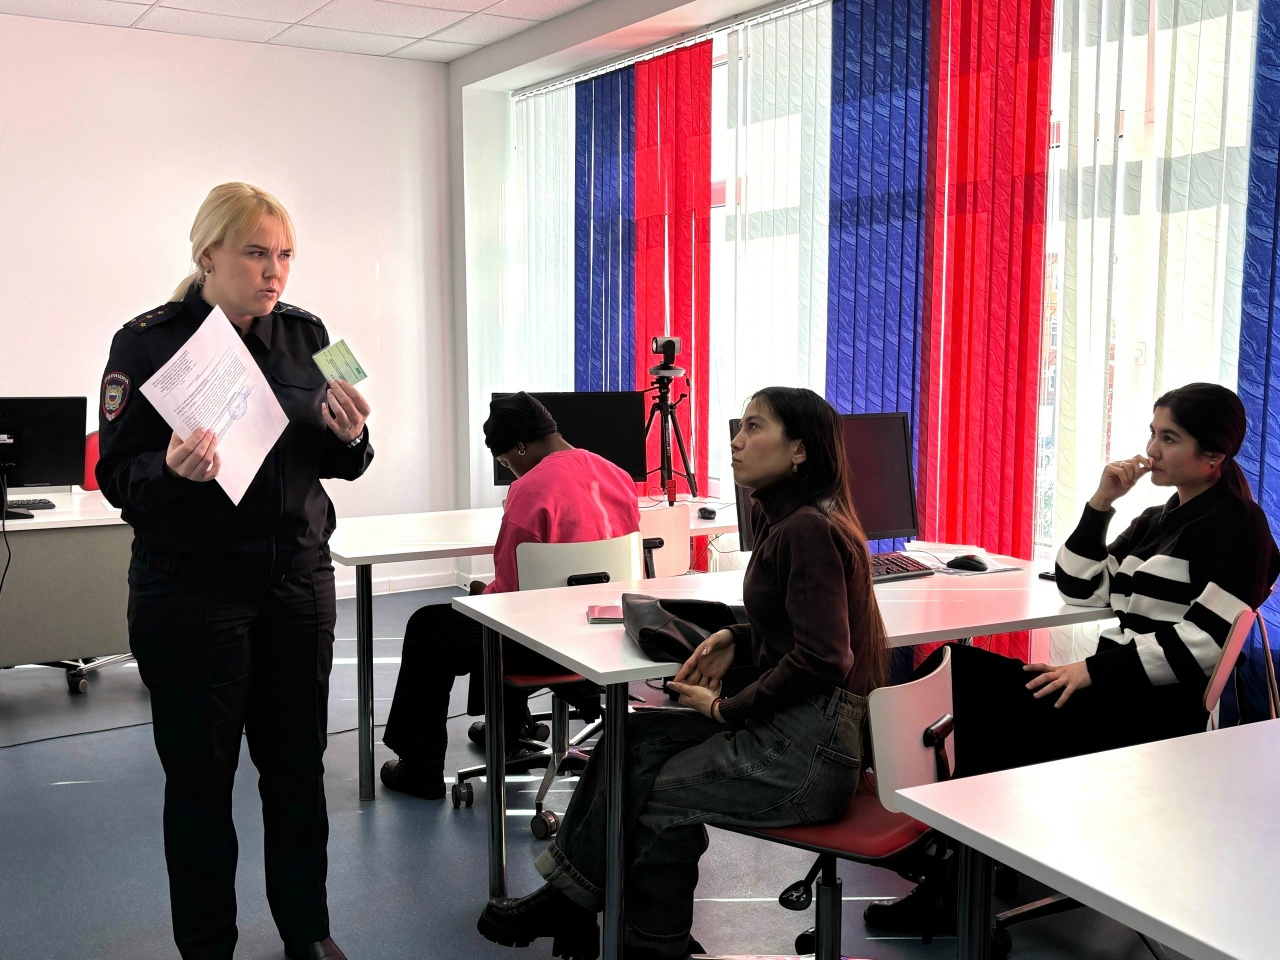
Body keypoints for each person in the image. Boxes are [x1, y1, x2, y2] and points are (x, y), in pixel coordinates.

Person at [475, 386, 890, 960]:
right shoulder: (796, 519)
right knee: (631, 739)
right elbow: (801, 626)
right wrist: (738, 636)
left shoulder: (806, 529)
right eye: (740, 426)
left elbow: (824, 658)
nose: (736, 440)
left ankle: (641, 939)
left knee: (653, 794)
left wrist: (726, 709)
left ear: (799, 451)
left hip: (806, 755)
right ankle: (585, 908)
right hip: (800, 729)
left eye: (754, 427)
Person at [864, 382, 1280, 934]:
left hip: (1149, 713)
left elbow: (1204, 644)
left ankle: (944, 871)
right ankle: (944, 861)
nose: (1151, 450)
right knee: (955, 671)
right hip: (1110, 690)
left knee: (971, 694)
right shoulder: (1158, 518)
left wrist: (1091, 671)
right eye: (1152, 433)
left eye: (1169, 438)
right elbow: (1080, 585)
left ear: (1213, 457)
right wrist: (1101, 503)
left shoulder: (1238, 528)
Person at [96, 183, 373, 960]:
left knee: (298, 771)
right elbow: (116, 476)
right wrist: (168, 470)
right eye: (256, 253)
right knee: (200, 781)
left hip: (295, 583)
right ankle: (207, 945)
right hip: (193, 589)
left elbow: (348, 458)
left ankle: (307, 931)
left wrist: (352, 437)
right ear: (208, 255)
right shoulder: (145, 343)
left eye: (284, 255)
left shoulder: (311, 334)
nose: (273, 270)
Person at [379, 391, 641, 800]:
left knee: (433, 625)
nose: (509, 469)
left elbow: (510, 597)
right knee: (487, 613)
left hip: (544, 645)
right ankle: (510, 729)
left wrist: (481, 592)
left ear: (520, 447)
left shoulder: (529, 489)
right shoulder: (617, 475)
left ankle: (421, 768)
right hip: (608, 637)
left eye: (505, 461)